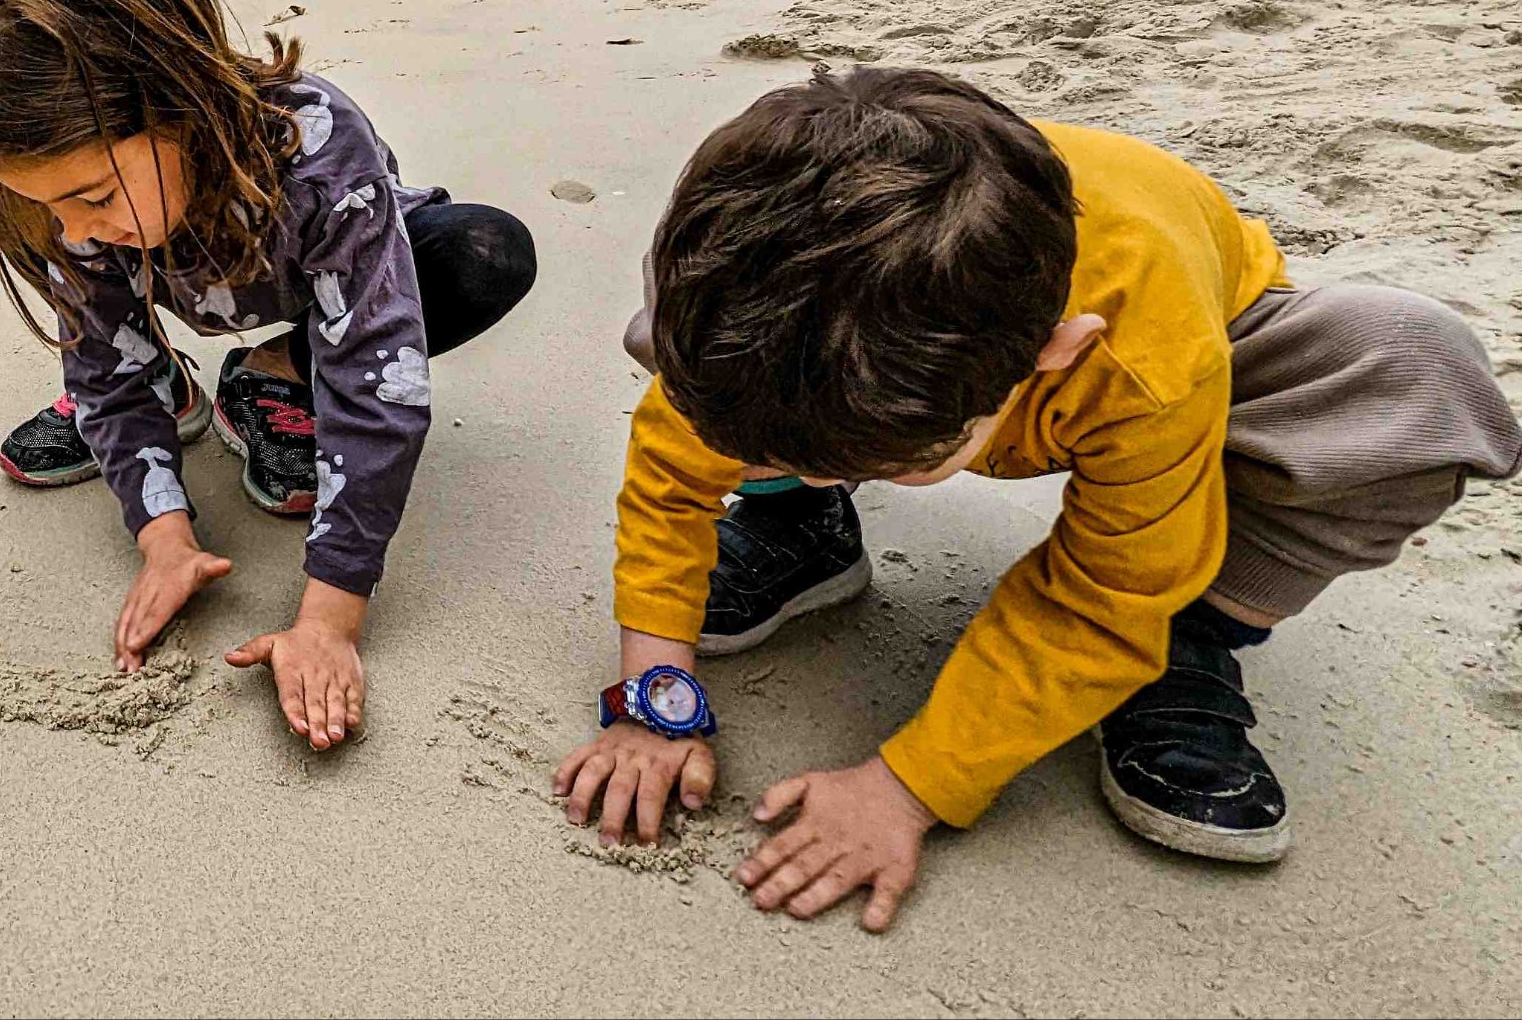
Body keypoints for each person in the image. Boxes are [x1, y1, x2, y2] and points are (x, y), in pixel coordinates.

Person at [554, 66, 1519, 929]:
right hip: (881, 350)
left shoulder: (1143, 357)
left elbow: (1099, 593)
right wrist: (654, 692)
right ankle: (804, 531)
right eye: (778, 461)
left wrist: (908, 787)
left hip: (1198, 364)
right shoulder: (757, 296)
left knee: (1410, 367)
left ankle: (1191, 632)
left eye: (872, 468)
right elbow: (673, 473)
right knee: (712, 369)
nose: (813, 464)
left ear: (1051, 362)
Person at [0, 0, 537, 749]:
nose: (72, 226)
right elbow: (99, 350)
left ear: (181, 102)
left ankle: (275, 372)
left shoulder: (321, 152)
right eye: (54, 202)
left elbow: (379, 382)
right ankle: (167, 390)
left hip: (297, 275)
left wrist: (329, 617)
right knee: (103, 337)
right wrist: (163, 536)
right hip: (151, 285)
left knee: (485, 251)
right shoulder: (49, 200)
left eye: (93, 195)